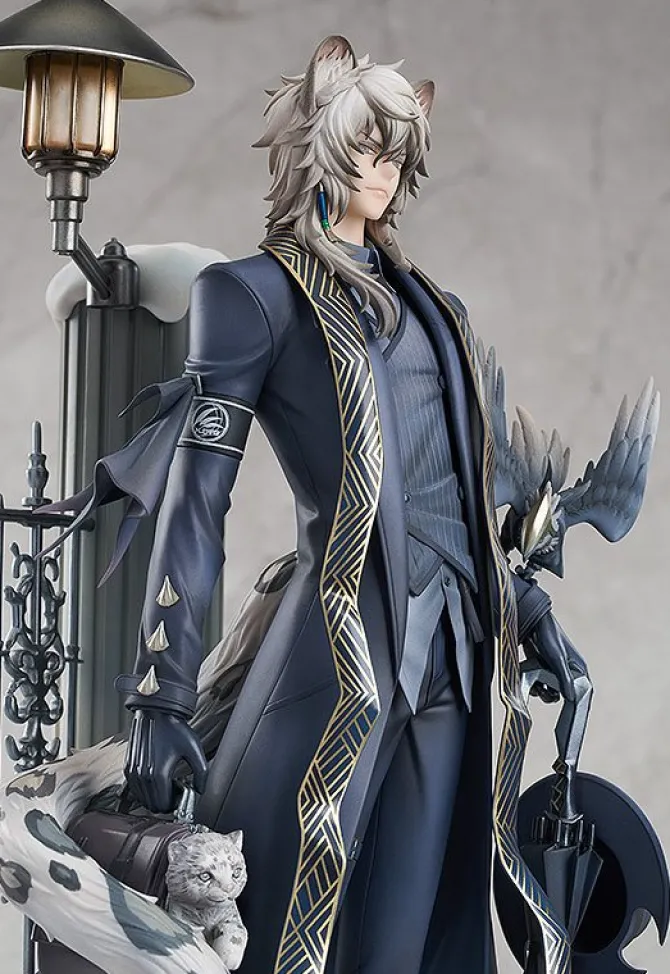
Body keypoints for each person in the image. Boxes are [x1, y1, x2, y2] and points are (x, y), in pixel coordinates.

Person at [111, 35, 588, 974]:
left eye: (398, 148)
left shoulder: (438, 311)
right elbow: (196, 502)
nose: (386, 166)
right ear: (318, 147)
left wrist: (528, 610)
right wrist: (161, 694)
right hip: (339, 660)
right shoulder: (252, 297)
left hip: (454, 657)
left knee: (411, 940)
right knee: (282, 929)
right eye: (367, 144)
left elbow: (453, 498)